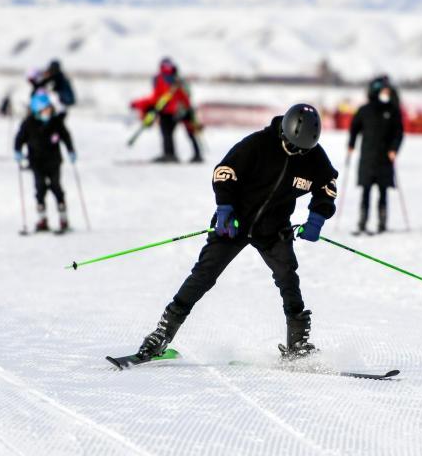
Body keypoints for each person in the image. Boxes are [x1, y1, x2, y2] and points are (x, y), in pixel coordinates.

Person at [135, 104, 338, 361]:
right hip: (234, 224)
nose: (297, 152)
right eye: (292, 146)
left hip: (273, 229)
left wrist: (317, 218)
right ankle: (160, 336)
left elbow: (327, 186)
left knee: (288, 277)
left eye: (303, 150)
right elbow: (224, 173)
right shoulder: (258, 145)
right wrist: (225, 209)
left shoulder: (314, 157)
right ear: (284, 134)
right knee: (203, 276)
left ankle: (297, 344)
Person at [348, 76, 404, 234]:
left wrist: (394, 149)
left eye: (388, 91)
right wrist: (351, 144)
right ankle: (362, 223)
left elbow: (398, 133)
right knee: (365, 191)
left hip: (385, 158)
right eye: (384, 91)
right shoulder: (365, 110)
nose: (387, 93)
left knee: (383, 191)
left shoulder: (393, 111)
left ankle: (382, 223)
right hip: (367, 157)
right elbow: (354, 127)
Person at [14, 93, 76, 233]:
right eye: (44, 109)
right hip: (36, 162)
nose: (48, 111)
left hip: (54, 161)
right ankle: (42, 220)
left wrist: (71, 150)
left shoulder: (56, 122)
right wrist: (17, 151)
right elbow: (19, 138)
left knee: (56, 187)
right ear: (37, 110)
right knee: (40, 188)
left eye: (49, 108)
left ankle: (63, 219)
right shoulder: (29, 123)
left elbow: (66, 137)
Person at [130, 58, 202, 163]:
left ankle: (170, 154)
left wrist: (138, 104)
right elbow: (184, 96)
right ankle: (195, 154)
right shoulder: (177, 79)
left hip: (169, 111)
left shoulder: (161, 79)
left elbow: (156, 97)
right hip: (180, 110)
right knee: (186, 132)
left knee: (168, 133)